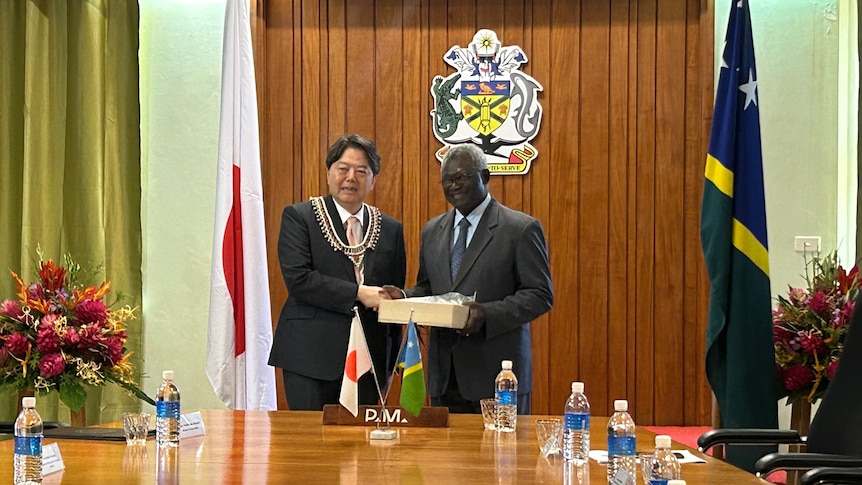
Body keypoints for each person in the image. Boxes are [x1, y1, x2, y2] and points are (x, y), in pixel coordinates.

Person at [383, 144, 553, 414]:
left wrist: (486, 314)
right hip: (444, 376)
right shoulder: (432, 231)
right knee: (445, 456)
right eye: (447, 180)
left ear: (484, 176)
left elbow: (540, 294)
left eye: (461, 177)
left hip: (498, 377)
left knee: (502, 457)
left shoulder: (519, 229)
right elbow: (430, 288)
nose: (453, 186)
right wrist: (403, 297)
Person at [268, 134, 406, 410]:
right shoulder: (300, 217)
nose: (350, 177)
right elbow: (299, 280)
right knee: (312, 448)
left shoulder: (390, 229)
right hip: (310, 359)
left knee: (363, 448)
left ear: (373, 179)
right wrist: (358, 293)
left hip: (369, 362)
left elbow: (391, 298)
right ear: (329, 173)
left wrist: (389, 364)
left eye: (361, 171)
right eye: (343, 169)